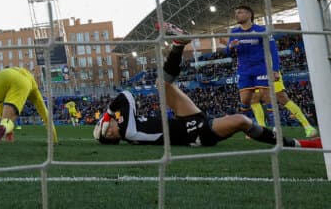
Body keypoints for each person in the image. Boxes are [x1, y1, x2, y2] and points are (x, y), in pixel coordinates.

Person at [96, 22, 322, 149]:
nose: (111, 124)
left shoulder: (124, 125)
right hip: (193, 133)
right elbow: (126, 95)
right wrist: (107, 115)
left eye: (109, 124)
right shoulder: (129, 132)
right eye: (109, 128)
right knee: (242, 121)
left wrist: (109, 116)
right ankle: (298, 143)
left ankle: (177, 45)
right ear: (113, 136)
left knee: (161, 85)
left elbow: (125, 99)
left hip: (186, 118)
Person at [226, 5, 317, 138]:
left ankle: (307, 126)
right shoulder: (234, 32)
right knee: (252, 100)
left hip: (266, 69)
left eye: (239, 12)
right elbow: (229, 53)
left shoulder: (262, 30)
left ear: (249, 14)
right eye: (236, 12)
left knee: (281, 98)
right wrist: (230, 47)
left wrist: (275, 69)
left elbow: (273, 51)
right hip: (246, 71)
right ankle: (261, 129)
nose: (236, 15)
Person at [0, 65, 56, 145]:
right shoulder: (34, 88)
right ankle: (4, 128)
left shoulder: (12, 70)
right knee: (8, 119)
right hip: (23, 82)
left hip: (4, 74)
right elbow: (44, 113)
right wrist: (54, 137)